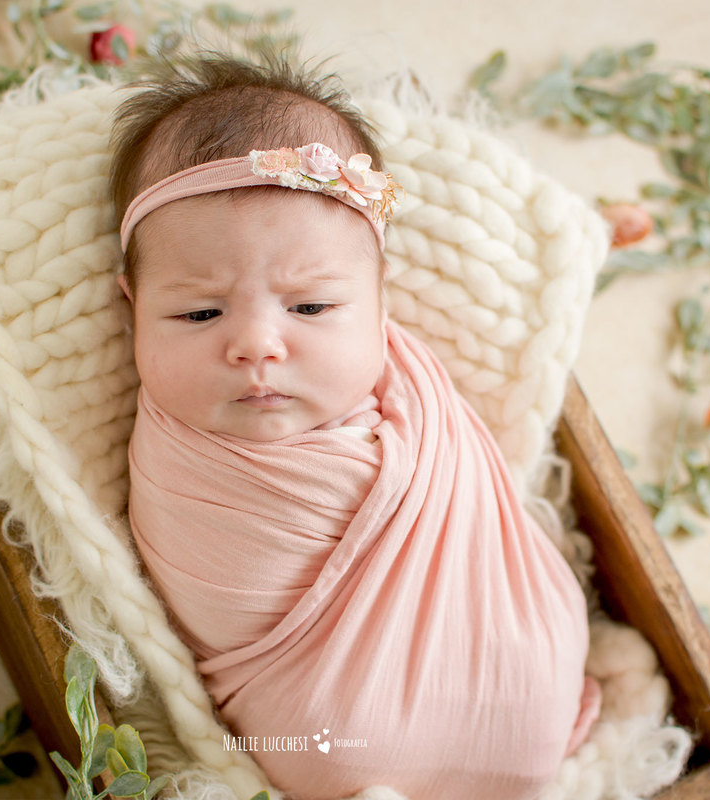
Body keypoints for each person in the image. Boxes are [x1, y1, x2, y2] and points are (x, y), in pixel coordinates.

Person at [110, 51, 600, 800]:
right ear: (130, 307)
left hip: (521, 677)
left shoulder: (415, 390)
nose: (257, 346)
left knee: (538, 638)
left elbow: (475, 518)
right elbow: (220, 604)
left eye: (310, 308)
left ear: (379, 300)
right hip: (325, 736)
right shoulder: (182, 467)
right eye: (198, 313)